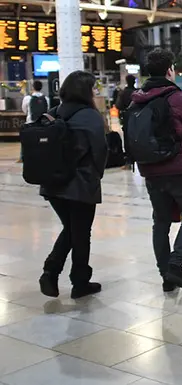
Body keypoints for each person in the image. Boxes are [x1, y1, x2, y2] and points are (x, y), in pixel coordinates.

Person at [130, 48, 182, 292]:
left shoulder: (136, 100)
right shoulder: (180, 98)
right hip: (179, 169)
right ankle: (176, 264)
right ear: (170, 70)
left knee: (161, 221)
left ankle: (166, 276)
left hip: (150, 170)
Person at [38, 71, 107, 299]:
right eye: (93, 88)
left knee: (71, 229)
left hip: (53, 184)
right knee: (80, 232)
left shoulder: (53, 113)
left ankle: (51, 272)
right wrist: (97, 173)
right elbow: (100, 150)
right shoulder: (90, 116)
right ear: (85, 91)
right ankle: (78, 281)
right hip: (81, 184)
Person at [19, 81, 49, 162]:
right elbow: (48, 110)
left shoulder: (27, 98)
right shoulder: (46, 98)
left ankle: (23, 157)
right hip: (42, 123)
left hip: (30, 122)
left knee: (26, 140)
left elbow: (24, 110)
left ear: (33, 87)